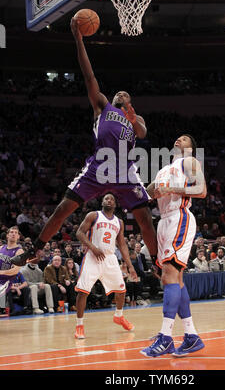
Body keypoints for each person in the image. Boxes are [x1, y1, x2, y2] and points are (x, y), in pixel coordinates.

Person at [10, 18, 157, 268]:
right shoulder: (103, 105)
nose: (121, 95)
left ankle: (157, 261)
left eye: (126, 95)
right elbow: (88, 75)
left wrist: (133, 115)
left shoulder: (135, 117)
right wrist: (78, 39)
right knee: (62, 209)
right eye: (118, 94)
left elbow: (142, 133)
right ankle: (35, 250)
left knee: (145, 218)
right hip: (99, 167)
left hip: (124, 170)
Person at [141, 134, 207, 358]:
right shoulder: (164, 170)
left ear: (191, 147)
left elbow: (201, 189)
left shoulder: (189, 162)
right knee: (173, 279)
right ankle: (191, 336)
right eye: (178, 138)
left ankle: (166, 337)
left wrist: (173, 190)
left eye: (185, 139)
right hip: (164, 221)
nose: (179, 140)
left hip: (180, 217)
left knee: (170, 275)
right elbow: (146, 193)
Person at [74, 193, 138, 339]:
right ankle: (79, 325)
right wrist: (92, 247)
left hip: (110, 258)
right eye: (106, 198)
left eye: (112, 199)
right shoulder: (93, 215)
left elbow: (122, 244)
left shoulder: (119, 222)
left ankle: (119, 316)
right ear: (102, 202)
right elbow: (79, 233)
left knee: (121, 289)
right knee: (83, 291)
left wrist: (130, 266)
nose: (109, 200)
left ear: (115, 205)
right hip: (92, 257)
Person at [0, 226, 24, 298]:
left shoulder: (19, 251)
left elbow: (15, 271)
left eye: (16, 233)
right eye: (11, 232)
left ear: (18, 236)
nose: (13, 234)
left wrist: (1, 272)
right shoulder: (1, 248)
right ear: (7, 235)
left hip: (5, 281)